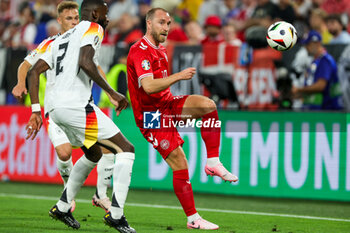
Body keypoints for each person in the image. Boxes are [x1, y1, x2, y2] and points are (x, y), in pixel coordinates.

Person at [25, 0, 136, 232]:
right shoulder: (93, 28)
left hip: (55, 110)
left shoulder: (60, 38)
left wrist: (36, 110)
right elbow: (85, 61)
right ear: (95, 13)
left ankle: (63, 206)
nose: (107, 18)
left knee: (94, 152)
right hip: (77, 106)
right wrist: (113, 92)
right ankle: (116, 214)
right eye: (105, 13)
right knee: (126, 149)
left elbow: (34, 71)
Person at [127, 8, 238, 230]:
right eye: (161, 23)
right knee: (180, 162)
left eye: (168, 24)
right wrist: (178, 76)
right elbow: (148, 86)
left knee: (208, 106)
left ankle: (213, 162)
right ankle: (193, 219)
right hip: (152, 117)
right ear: (149, 23)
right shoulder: (139, 50)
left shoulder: (160, 49)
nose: (166, 28)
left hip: (167, 104)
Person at [12, 0, 114, 213]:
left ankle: (101, 195)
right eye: (68, 18)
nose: (73, 21)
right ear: (59, 21)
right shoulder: (51, 43)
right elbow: (26, 65)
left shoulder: (84, 36)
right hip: (57, 108)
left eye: (76, 17)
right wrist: (21, 83)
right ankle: (68, 190)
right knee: (65, 152)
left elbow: (94, 66)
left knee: (106, 149)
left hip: (82, 107)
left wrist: (109, 93)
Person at [292, 30, 343, 110]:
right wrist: (299, 94)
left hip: (327, 110)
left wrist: (299, 89)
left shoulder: (325, 60)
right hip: (316, 109)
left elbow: (320, 86)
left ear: (317, 43)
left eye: (308, 44)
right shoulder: (315, 61)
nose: (306, 48)